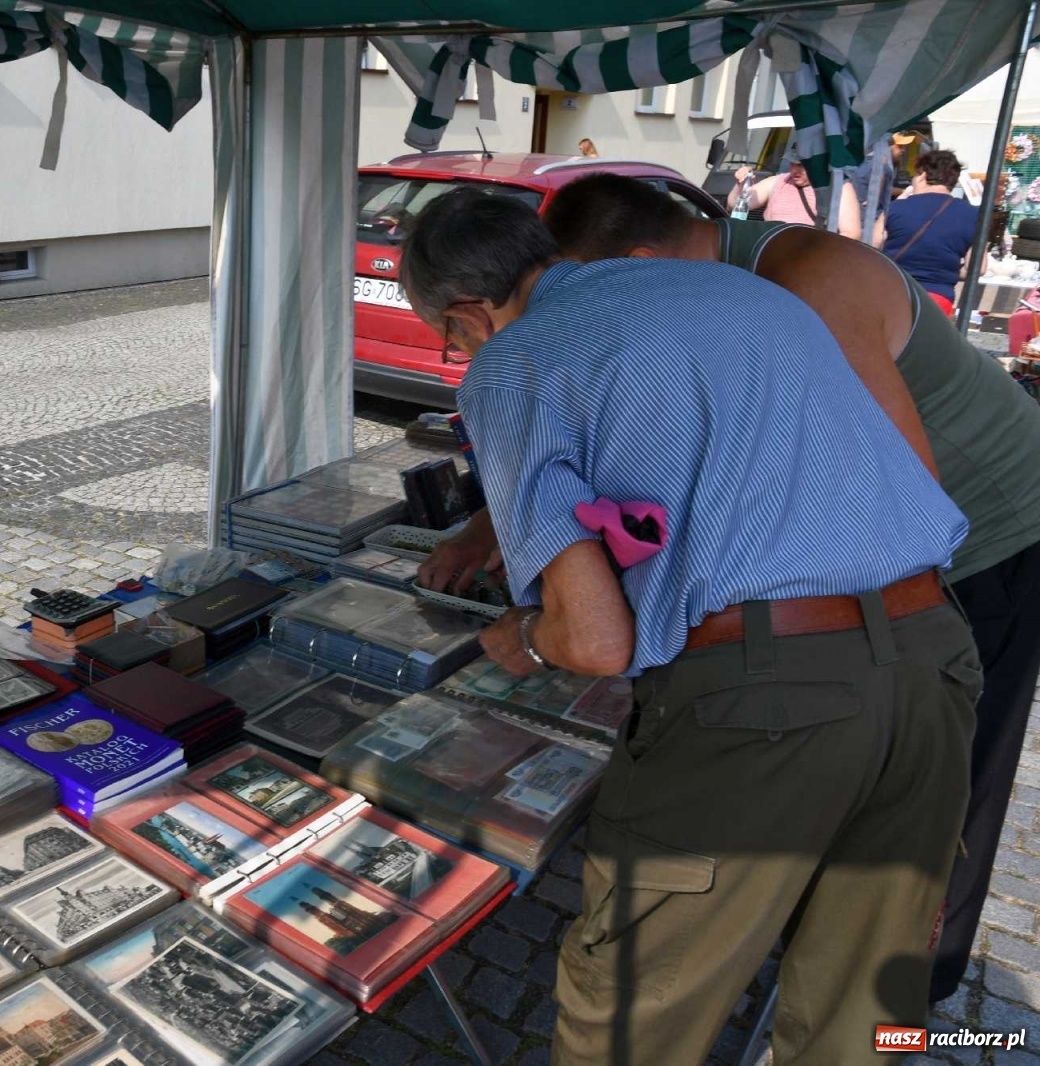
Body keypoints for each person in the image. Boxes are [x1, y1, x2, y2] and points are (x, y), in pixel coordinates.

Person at [400, 186, 976, 1066]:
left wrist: (519, 639)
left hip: (766, 698)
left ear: (472, 311)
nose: (459, 351)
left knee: (632, 1015)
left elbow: (594, 642)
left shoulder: (514, 361)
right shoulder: (739, 291)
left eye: (450, 335)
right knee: (863, 1011)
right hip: (934, 655)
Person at [522, 172, 1040, 1006]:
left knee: (941, 775)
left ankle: (909, 981)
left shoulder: (811, 284)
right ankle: (812, 928)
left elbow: (904, 496)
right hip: (904, 551)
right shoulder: (719, 283)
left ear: (643, 260)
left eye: (599, 294)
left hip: (992, 538)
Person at [876, 150, 982, 315]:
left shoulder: (895, 208)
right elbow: (977, 269)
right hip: (938, 298)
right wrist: (947, 271)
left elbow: (873, 246)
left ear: (922, 175)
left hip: (894, 292)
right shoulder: (974, 216)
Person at [734, 157, 862, 239]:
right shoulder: (778, 181)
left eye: (802, 165)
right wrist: (741, 183)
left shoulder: (839, 188)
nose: (795, 170)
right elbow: (736, 204)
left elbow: (851, 234)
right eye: (792, 163)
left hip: (811, 259)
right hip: (771, 252)